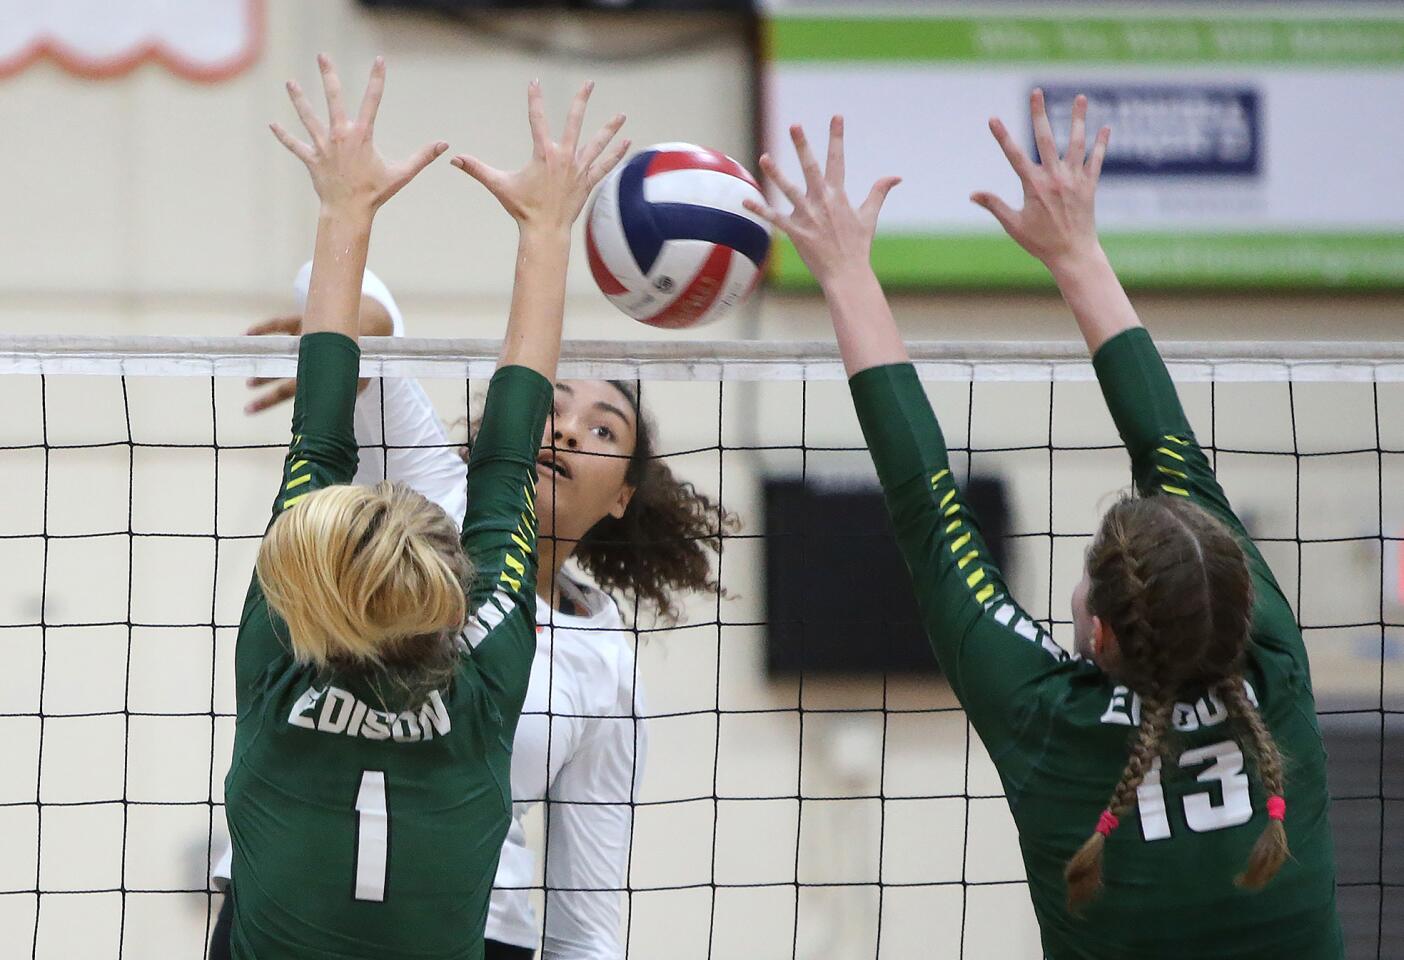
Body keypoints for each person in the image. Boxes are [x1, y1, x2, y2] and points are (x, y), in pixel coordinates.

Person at [745, 92, 1341, 958]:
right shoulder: (1274, 674)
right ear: (1242, 597)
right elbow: (937, 503)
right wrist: (1074, 254)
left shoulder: (1045, 716)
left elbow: (926, 504)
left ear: (1097, 631)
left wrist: (847, 272)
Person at [219, 52, 628, 960]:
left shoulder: (285, 650)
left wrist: (344, 207)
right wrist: (550, 232)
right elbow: (508, 454)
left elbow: (470, 452)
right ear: (449, 585)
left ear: (312, 579)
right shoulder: (485, 664)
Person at [219, 272, 732, 960]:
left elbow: (587, 922)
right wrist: (351, 335)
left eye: (603, 429)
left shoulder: (607, 669)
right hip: (287, 903)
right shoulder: (432, 495)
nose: (570, 431)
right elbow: (362, 306)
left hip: (476, 932)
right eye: (553, 407)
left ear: (623, 496)